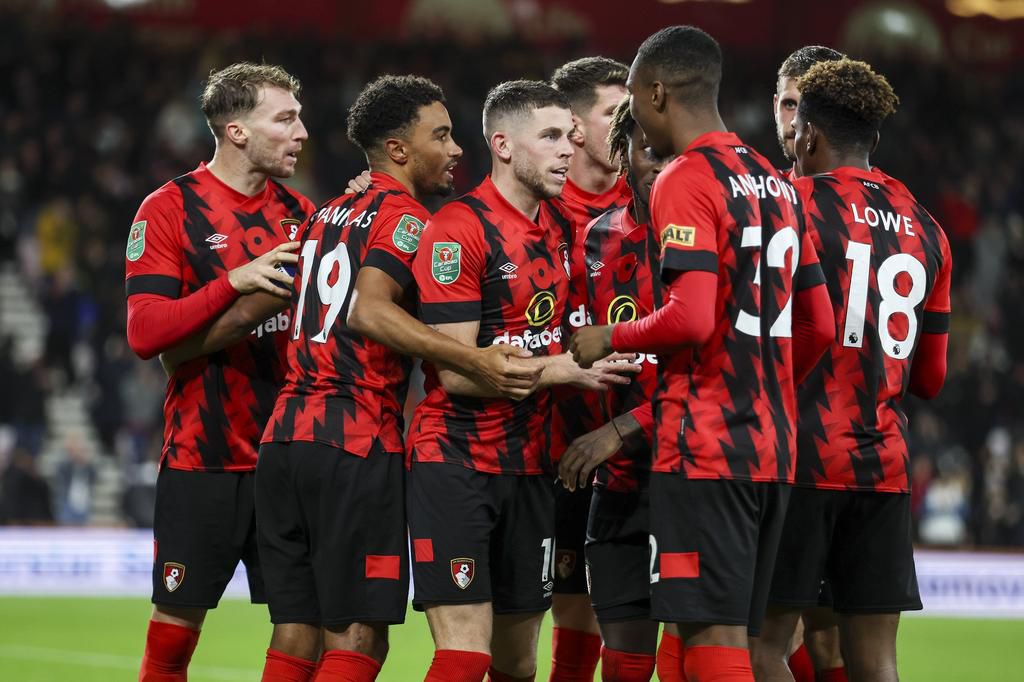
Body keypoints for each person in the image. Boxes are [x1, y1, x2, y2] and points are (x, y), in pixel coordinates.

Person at [570, 26, 834, 681]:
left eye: (635, 96)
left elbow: (689, 318)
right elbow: (820, 325)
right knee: (734, 640)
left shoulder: (686, 177)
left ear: (657, 92)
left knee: (710, 641)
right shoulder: (773, 182)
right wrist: (764, 385)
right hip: (772, 447)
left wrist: (611, 336)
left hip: (706, 444)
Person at [256, 74, 538, 682]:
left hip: (284, 437)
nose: (457, 148)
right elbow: (369, 307)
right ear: (399, 151)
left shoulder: (326, 212)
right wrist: (473, 358)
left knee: (298, 634)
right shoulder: (407, 218)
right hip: (353, 437)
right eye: (441, 135)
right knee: (359, 637)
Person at [406, 79, 639, 682]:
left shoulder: (561, 227)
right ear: (503, 145)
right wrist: (562, 368)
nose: (570, 148)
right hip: (457, 461)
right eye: (553, 136)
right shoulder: (459, 229)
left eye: (572, 135)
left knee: (517, 664)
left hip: (533, 467)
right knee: (464, 654)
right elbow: (458, 371)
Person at [751, 58, 951, 682]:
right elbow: (930, 380)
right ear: (874, 140)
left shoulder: (788, 206)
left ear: (807, 134)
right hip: (883, 468)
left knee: (761, 651)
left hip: (800, 459)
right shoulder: (929, 228)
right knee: (876, 663)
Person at [125, 62, 316, 682]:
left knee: (302, 628)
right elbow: (145, 334)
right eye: (284, 119)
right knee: (175, 637)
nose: (302, 132)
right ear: (236, 131)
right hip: (202, 457)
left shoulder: (301, 213)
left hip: (286, 458)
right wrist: (233, 282)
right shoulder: (168, 209)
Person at [555, 97, 674, 681]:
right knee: (622, 655)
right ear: (621, 155)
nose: (655, 163)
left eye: (664, 150)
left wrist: (623, 429)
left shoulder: (715, 233)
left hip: (693, 476)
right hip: (618, 480)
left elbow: (719, 375)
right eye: (643, 150)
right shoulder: (599, 238)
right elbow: (578, 346)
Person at [548, 55, 634, 682]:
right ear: (574, 127)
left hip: (639, 450)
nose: (633, 123)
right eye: (614, 112)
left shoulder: (652, 205)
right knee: (561, 621)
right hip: (546, 447)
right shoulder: (536, 204)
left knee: (631, 626)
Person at [771, 44, 849, 682]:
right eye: (787, 103)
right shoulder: (763, 196)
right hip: (826, 449)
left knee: (811, 642)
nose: (795, 121)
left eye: (806, 107)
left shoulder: (799, 206)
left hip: (805, 445)